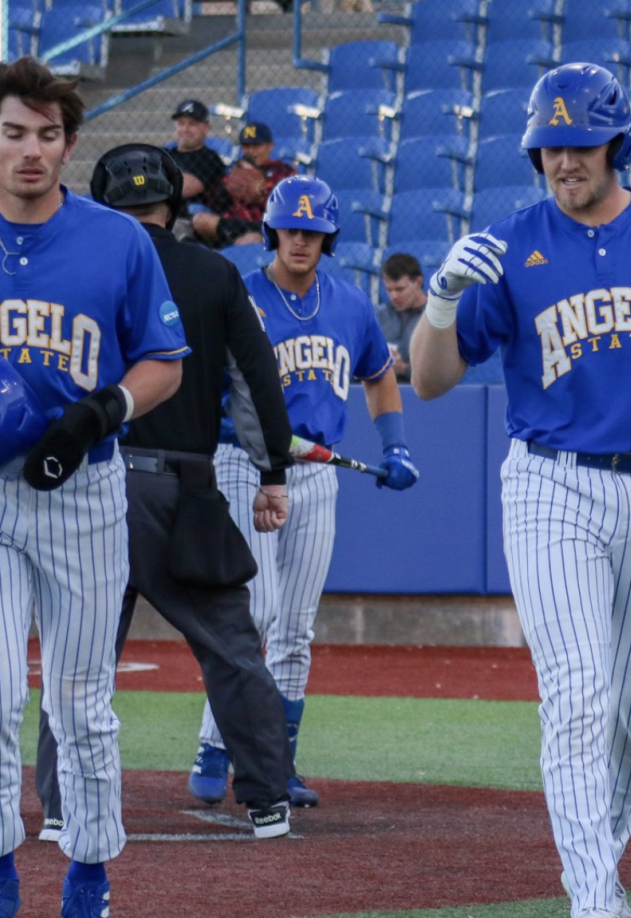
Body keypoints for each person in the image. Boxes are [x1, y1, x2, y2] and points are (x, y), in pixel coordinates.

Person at [409, 62, 631, 918]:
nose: (564, 162)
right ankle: (594, 900)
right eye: (549, 147)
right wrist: (437, 304)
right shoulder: (511, 242)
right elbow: (429, 382)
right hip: (550, 484)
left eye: (580, 145)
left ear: (617, 144)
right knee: (579, 691)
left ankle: (597, 867)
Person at [0, 56, 188, 918]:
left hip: (84, 492)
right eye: (14, 134)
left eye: (47, 136)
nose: (30, 151)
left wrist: (105, 409)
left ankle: (88, 874)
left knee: (81, 704)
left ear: (67, 145)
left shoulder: (118, 239)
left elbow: (165, 361)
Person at [31, 144, 297, 842]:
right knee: (233, 650)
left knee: (76, 656)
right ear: (175, 206)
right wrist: (273, 476)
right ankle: (268, 799)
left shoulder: (74, 269)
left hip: (92, 482)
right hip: (185, 488)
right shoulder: (213, 273)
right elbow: (257, 380)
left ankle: (61, 807)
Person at [192, 175, 419, 812]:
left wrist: (395, 444)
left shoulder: (348, 303)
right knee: (256, 612)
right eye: (291, 229)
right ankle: (215, 744)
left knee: (294, 629)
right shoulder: (240, 295)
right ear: (271, 231)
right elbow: (211, 387)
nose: (300, 240)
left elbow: (378, 378)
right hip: (243, 462)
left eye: (312, 231)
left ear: (328, 238)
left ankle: (277, 761)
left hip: (318, 474)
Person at [217, 122, 298, 246]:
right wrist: (226, 188)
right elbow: (217, 202)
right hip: (234, 224)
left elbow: (288, 207)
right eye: (246, 146)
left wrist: (262, 190)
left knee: (251, 239)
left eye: (256, 146)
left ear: (270, 146)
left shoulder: (284, 171)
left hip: (266, 226)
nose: (251, 151)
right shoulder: (235, 170)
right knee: (201, 219)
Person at [166, 99, 232, 247]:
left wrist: (154, 181)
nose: (185, 129)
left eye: (192, 124)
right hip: (156, 215)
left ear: (206, 127)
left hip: (188, 222)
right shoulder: (165, 153)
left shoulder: (210, 159)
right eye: (181, 123)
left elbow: (184, 188)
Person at [376, 252, 425, 383]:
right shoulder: (379, 316)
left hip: (423, 395)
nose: (394, 296)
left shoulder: (436, 318)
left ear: (418, 283)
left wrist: (404, 369)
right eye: (389, 290)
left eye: (400, 289)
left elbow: (444, 371)